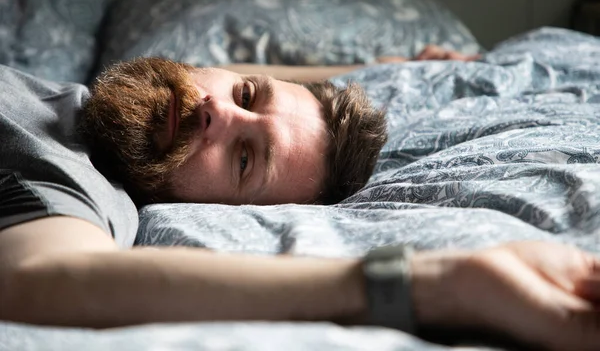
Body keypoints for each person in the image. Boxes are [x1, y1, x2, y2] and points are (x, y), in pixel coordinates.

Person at [1, 46, 599, 351]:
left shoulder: (80, 183)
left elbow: (45, 276)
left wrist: (430, 283)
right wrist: (374, 66)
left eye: (243, 159)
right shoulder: (107, 103)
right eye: (245, 94)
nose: (217, 112)